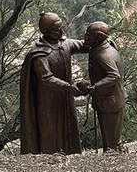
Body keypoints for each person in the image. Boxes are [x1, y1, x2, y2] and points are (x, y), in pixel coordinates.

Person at [19, 11, 87, 155]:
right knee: (51, 132)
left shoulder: (66, 44)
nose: (61, 31)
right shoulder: (40, 54)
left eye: (61, 27)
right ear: (47, 32)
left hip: (66, 98)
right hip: (48, 103)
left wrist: (103, 40)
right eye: (57, 29)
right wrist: (68, 87)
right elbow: (46, 78)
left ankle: (71, 156)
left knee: (69, 130)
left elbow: (84, 45)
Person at [76, 21, 126, 152]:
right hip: (109, 100)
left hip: (110, 103)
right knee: (110, 137)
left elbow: (114, 76)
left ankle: (114, 164)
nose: (85, 38)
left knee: (111, 140)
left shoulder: (103, 55)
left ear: (98, 38)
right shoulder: (103, 48)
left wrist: (95, 87)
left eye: (88, 36)